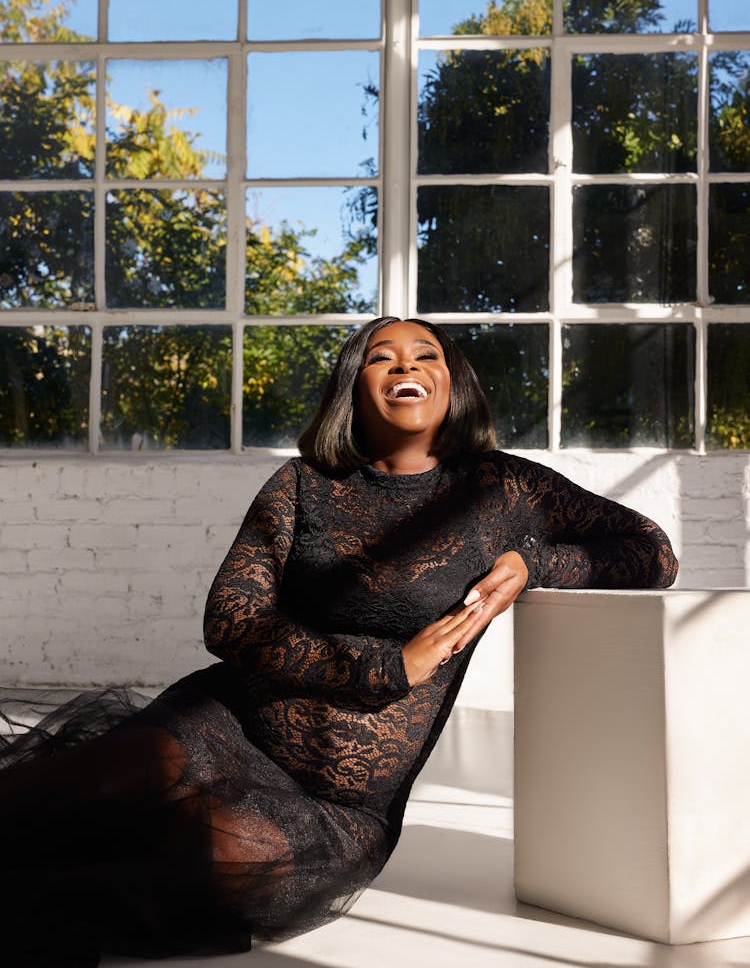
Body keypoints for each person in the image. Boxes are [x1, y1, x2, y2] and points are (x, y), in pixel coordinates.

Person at [0, 316, 678, 966]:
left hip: (339, 803)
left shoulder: (505, 488)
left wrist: (535, 563)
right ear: (354, 386)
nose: (406, 363)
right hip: (222, 725)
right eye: (383, 356)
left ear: (453, 383)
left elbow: (653, 551)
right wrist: (383, 666)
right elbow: (230, 622)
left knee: (214, 855)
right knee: (95, 783)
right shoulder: (302, 483)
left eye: (427, 354)